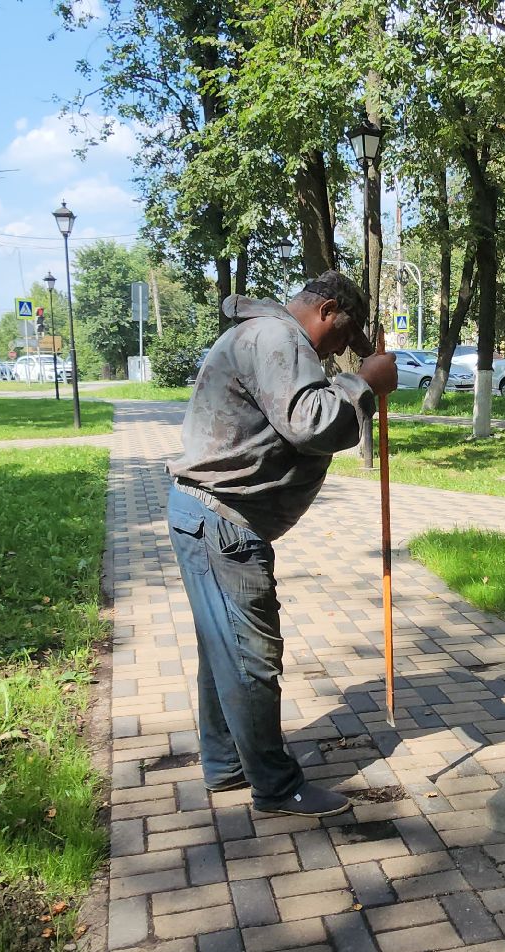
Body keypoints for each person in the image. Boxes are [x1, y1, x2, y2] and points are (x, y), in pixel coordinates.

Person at [167, 272, 399, 817]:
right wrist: (364, 383)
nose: (337, 352)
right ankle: (275, 786)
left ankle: (226, 763)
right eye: (341, 336)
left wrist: (359, 364)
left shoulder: (267, 334)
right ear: (326, 310)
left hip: (211, 519)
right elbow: (309, 423)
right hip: (222, 524)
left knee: (223, 649)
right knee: (251, 657)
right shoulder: (277, 337)